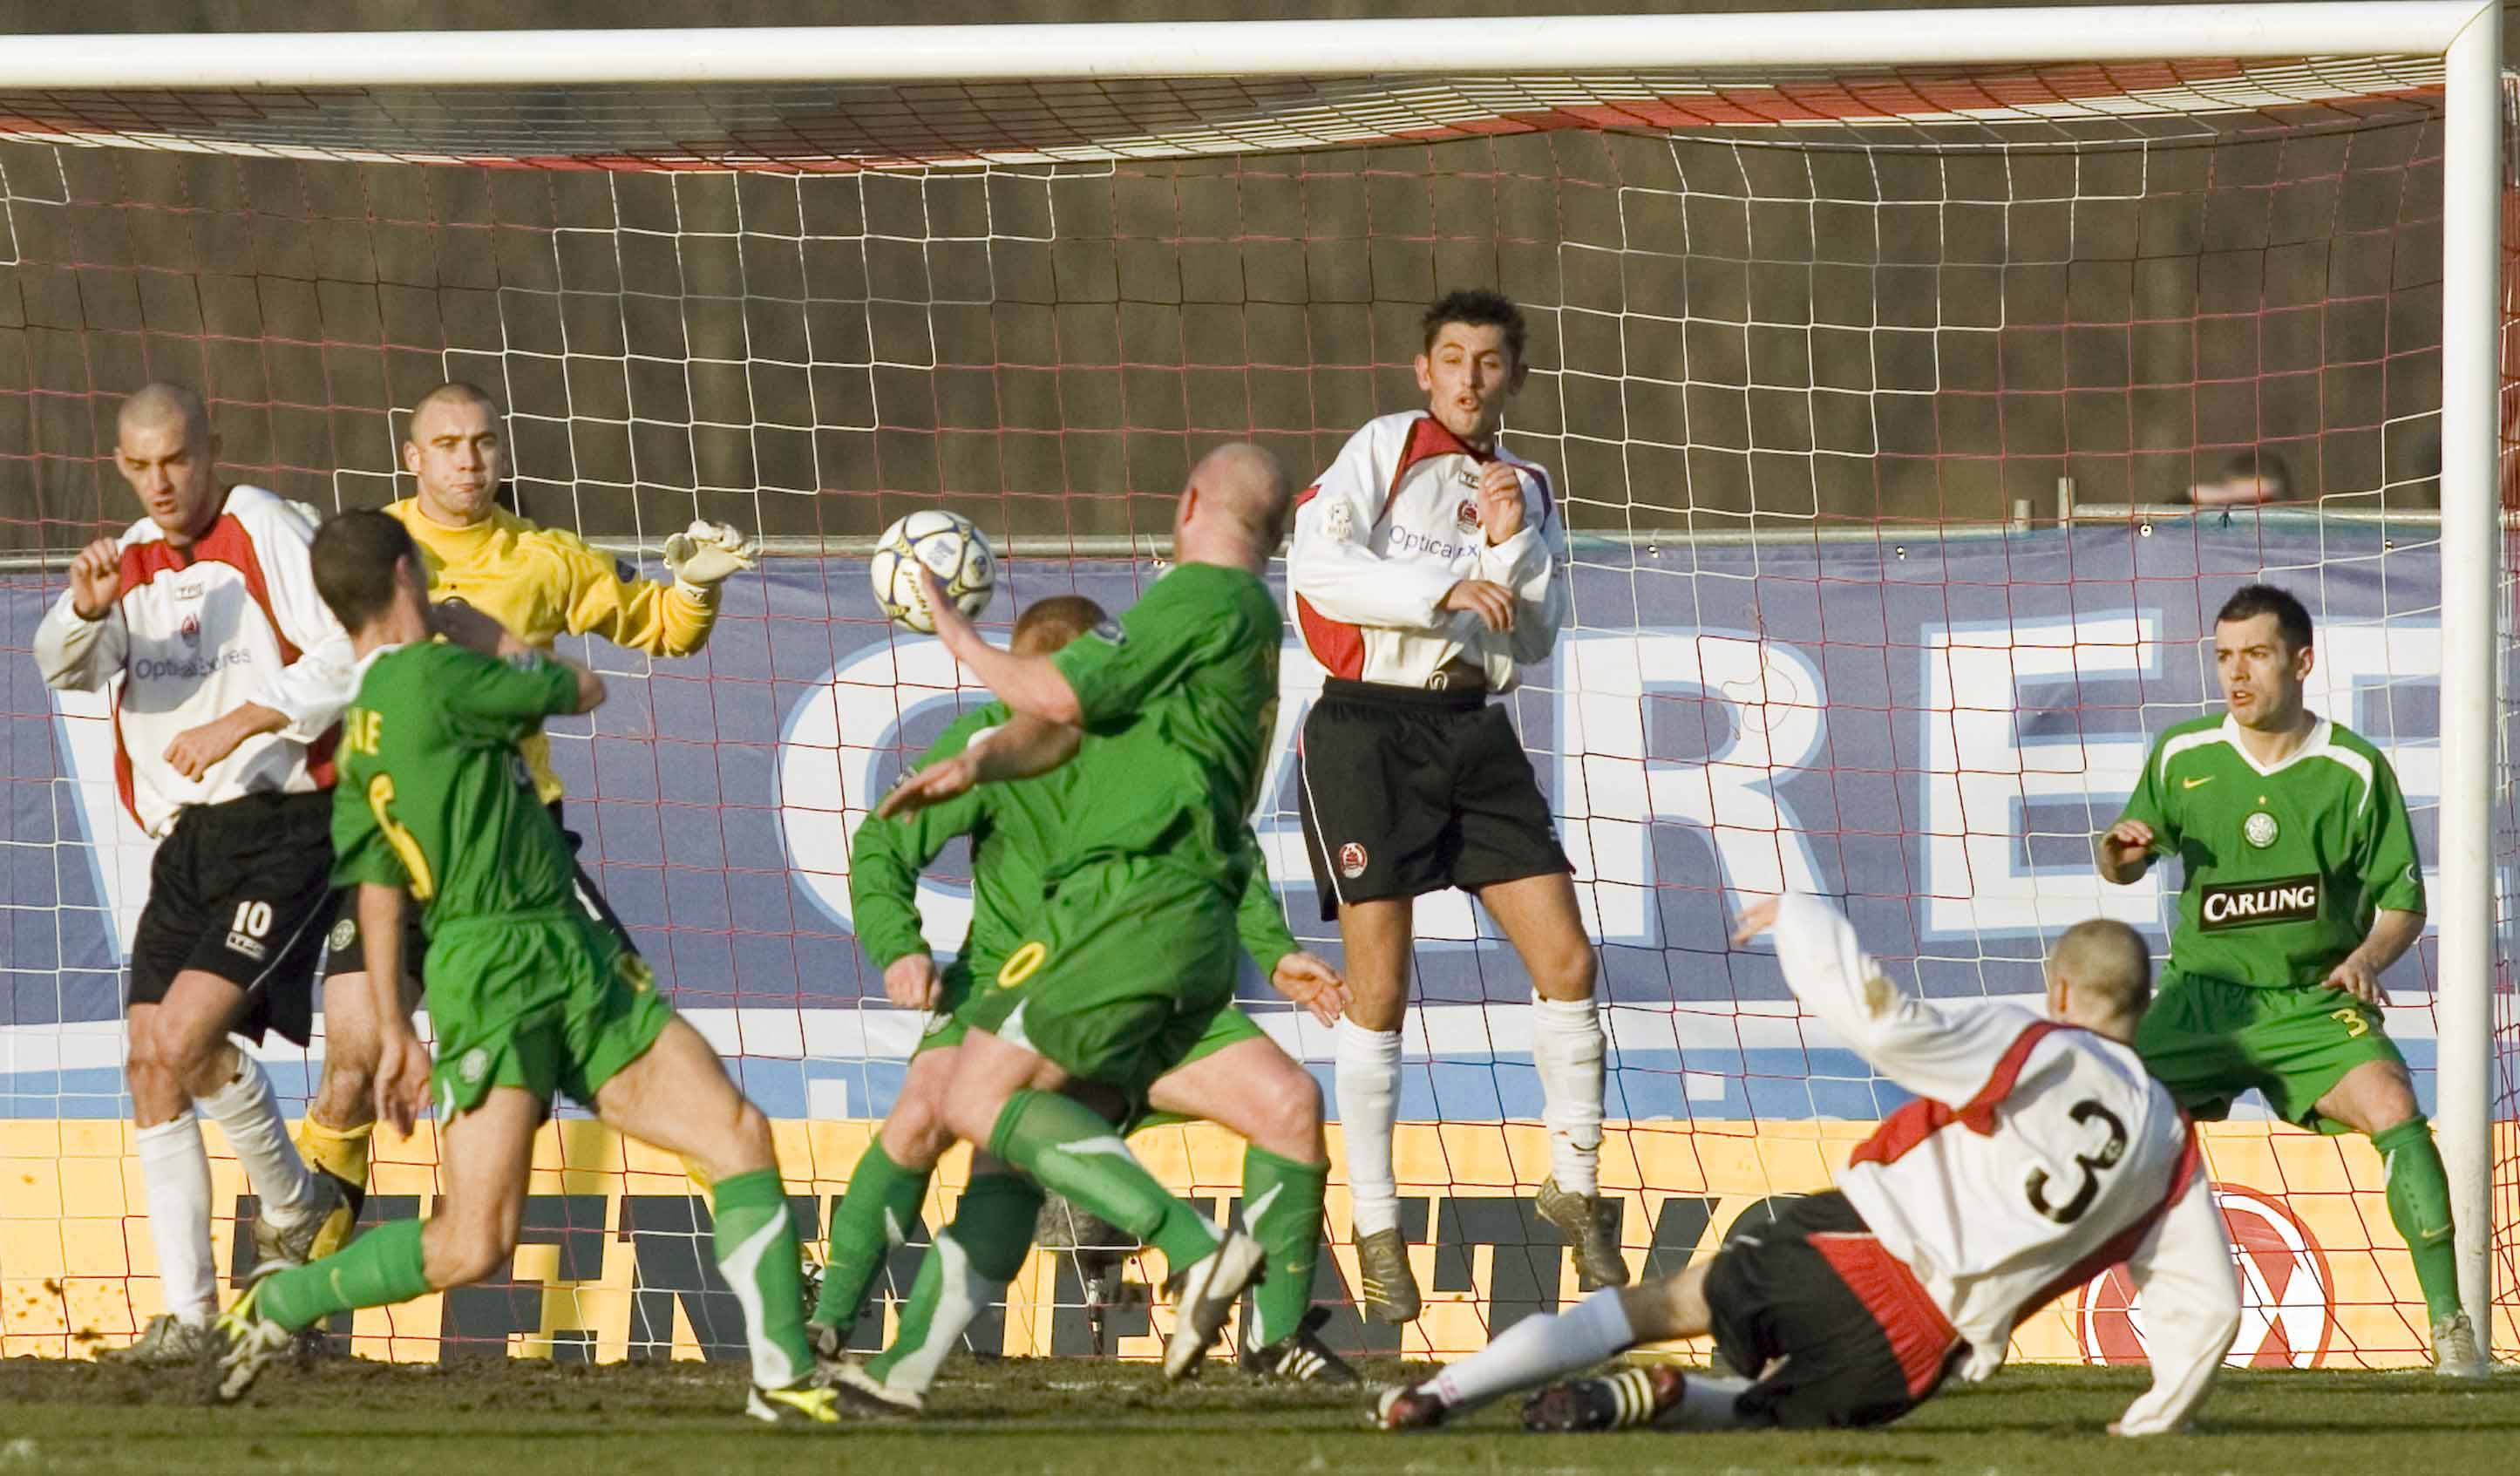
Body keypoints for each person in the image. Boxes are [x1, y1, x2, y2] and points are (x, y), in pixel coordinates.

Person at [211, 510, 839, 1425]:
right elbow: (583, 688)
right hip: (496, 973)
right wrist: (497, 635)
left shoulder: (362, 733)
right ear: (403, 576)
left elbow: (379, 893)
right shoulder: (441, 674)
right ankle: (277, 1304)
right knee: (474, 1242)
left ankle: (783, 1374)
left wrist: (391, 1028)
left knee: (735, 1130)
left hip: (564, 954)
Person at [1376, 894, 2240, 1437]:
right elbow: (2207, 1305)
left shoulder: (2035, 1041)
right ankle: (1652, 1401)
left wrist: (1803, 922)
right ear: (2143, 1000)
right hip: (1918, 1353)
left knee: (1655, 1304)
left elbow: (1886, 1024)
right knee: (1757, 1416)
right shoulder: (2168, 1139)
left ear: (2058, 990)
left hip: (1856, 1244)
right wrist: (2152, 1420)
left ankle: (1441, 1396)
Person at [814, 597, 1355, 1404]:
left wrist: (1274, 955)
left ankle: (1274, 1340)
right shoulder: (990, 743)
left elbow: (1219, 849)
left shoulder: (1160, 741)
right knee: (931, 1109)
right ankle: (828, 1324)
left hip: (1147, 994)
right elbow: (883, 846)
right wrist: (899, 946)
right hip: (1010, 988)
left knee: (1288, 1102)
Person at [294, 380, 757, 1261]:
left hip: (521, 847)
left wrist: (694, 590)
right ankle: (285, 1290)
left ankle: (770, 1256)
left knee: (655, 1058)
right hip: (400, 847)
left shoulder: (545, 557)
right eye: (448, 443)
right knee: (350, 1065)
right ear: (413, 456)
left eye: (482, 442)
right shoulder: (374, 550)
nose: (468, 459)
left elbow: (661, 627)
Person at [870, 442, 1295, 1381]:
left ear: (1187, 504)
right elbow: (1068, 727)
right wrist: (979, 760)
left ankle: (1194, 1251)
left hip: (1132, 900)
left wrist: (954, 632)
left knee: (974, 1096)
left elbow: (1055, 690)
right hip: (1184, 917)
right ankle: (900, 1374)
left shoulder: (1199, 597)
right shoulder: (1230, 623)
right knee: (1016, 1151)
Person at [1284, 288, 1611, 1321]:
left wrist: (1509, 549)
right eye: (1453, 358)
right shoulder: (1384, 447)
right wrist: (1440, 592)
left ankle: (1574, 1181)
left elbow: (1535, 637)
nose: (1470, 378)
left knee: (1567, 959)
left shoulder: (1530, 486)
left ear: (1514, 375)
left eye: (1490, 361)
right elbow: (1318, 568)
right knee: (1378, 986)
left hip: (1473, 733)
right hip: (1364, 732)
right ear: (1424, 370)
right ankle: (1375, 1223)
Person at [32, 383, 372, 1364]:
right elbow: (64, 666)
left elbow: (357, 649)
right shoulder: (128, 560)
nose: (160, 481)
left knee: (184, 1036)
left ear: (210, 447)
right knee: (150, 1060)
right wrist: (82, 609)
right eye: (139, 466)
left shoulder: (266, 525)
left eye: (175, 459)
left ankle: (296, 1203)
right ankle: (190, 1311)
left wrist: (247, 716)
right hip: (184, 843)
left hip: (284, 823)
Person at [2099, 581, 2485, 1375]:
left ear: (2302, 661)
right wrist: (2120, 849)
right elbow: (2122, 863)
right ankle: (2000, 1310)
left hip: (2311, 1002)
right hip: (2204, 999)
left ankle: (2452, 1334)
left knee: (2393, 1105)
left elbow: (2401, 905)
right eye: (2223, 657)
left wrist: (2363, 960)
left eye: (2256, 655)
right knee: (2097, 1113)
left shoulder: (2352, 769)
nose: (2235, 675)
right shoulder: (2183, 755)